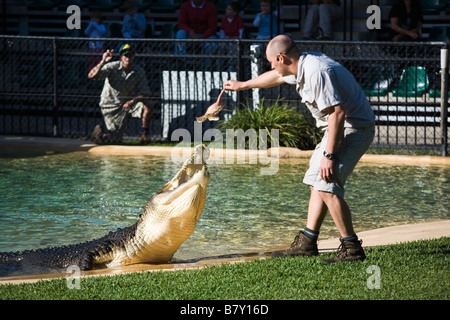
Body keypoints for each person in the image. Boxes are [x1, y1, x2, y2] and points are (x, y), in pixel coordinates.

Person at [224, 35, 375, 263]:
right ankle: (307, 242)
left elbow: (337, 113)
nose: (271, 66)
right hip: (337, 127)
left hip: (353, 127)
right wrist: (243, 85)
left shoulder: (316, 72)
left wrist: (329, 155)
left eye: (271, 61)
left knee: (326, 184)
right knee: (317, 182)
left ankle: (352, 248)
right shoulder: (301, 66)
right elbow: (276, 76)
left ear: (281, 57)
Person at [88, 44, 155, 144]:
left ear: (133, 57)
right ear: (121, 57)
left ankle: (144, 134)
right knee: (113, 140)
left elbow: (145, 93)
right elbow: (91, 76)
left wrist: (133, 101)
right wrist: (102, 61)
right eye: (125, 55)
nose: (128, 58)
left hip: (127, 104)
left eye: (130, 55)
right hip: (110, 105)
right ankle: (98, 133)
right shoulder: (111, 67)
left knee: (149, 104)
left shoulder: (138, 71)